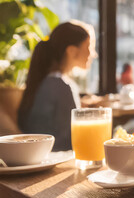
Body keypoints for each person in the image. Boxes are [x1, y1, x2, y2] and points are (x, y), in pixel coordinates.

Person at [18, 21, 97, 151]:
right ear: (72, 51)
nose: (93, 54)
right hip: (58, 157)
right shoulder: (61, 85)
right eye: (88, 47)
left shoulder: (49, 81)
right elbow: (73, 138)